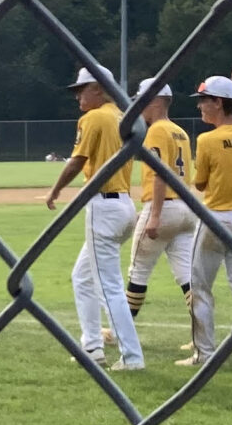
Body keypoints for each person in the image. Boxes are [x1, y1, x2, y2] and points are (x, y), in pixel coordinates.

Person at [44, 67, 143, 371]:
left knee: (108, 286)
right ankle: (92, 346)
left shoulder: (94, 118)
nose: (78, 97)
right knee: (82, 277)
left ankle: (132, 356)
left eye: (82, 90)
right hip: (124, 203)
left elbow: (77, 161)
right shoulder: (123, 116)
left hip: (103, 207)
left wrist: (55, 190)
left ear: (99, 88)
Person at [179, 71, 232, 369]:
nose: (199, 105)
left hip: (216, 219)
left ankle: (204, 353)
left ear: (218, 102)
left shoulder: (207, 139)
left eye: (204, 100)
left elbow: (200, 184)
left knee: (199, 288)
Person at [118, 80, 192, 351]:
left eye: (142, 100)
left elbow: (160, 173)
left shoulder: (157, 131)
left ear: (156, 101)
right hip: (186, 209)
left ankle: (120, 331)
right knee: (188, 277)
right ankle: (201, 334)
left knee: (138, 272)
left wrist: (155, 215)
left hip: (163, 207)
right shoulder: (179, 131)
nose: (138, 106)